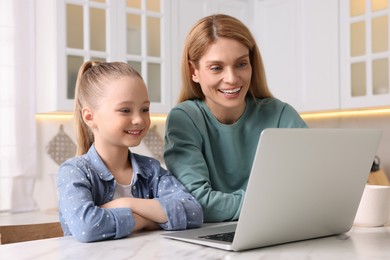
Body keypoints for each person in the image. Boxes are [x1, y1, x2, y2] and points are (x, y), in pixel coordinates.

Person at [164, 14, 307, 223]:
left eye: (241, 64)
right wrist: (274, 205)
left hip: (279, 227)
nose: (232, 78)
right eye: (216, 68)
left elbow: (312, 187)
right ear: (193, 71)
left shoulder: (280, 114)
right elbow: (196, 202)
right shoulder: (185, 119)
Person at [57, 61, 203, 243]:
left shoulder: (151, 169)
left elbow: (193, 211)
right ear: (89, 117)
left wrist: (126, 203)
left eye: (145, 109)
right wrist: (149, 219)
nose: (139, 119)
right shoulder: (74, 171)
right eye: (125, 110)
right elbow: (87, 227)